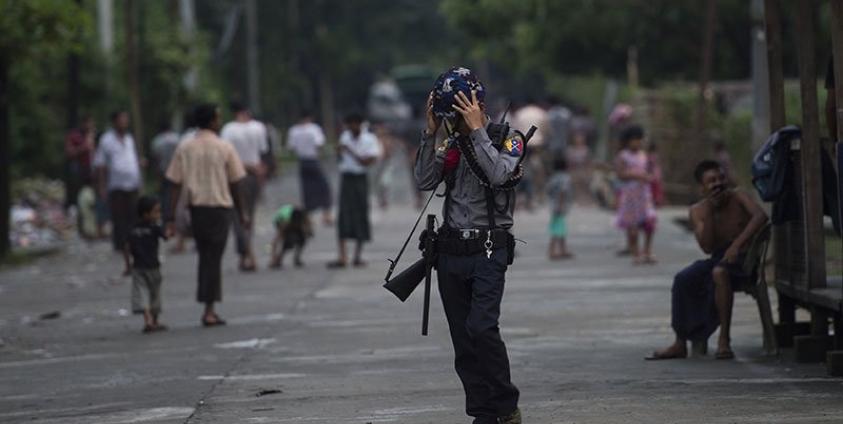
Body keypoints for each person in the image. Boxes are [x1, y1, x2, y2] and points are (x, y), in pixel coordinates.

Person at [415, 67, 522, 424]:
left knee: (482, 328)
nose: (453, 123)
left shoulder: (509, 138)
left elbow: (500, 175)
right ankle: (482, 413)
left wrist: (476, 131)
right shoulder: (448, 142)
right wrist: (429, 135)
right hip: (450, 253)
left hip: (489, 250)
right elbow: (425, 181)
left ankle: (505, 405)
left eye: (457, 116)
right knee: (463, 339)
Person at [648, 160, 768, 360]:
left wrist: (737, 245)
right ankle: (680, 342)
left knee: (719, 273)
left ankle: (724, 340)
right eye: (711, 181)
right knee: (683, 279)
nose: (718, 184)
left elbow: (760, 217)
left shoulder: (738, 197)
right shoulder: (698, 211)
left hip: (745, 260)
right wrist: (712, 211)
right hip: (718, 258)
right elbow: (707, 247)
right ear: (702, 188)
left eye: (721, 178)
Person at [165, 103, 248, 327]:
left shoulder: (185, 147)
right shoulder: (224, 147)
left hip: (197, 209)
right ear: (212, 121)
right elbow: (236, 183)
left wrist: (170, 216)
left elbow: (174, 183)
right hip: (220, 209)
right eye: (218, 118)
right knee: (213, 258)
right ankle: (209, 308)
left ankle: (208, 305)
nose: (220, 122)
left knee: (206, 256)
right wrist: (242, 213)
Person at [327, 113, 381, 268]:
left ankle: (357, 255)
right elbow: (340, 158)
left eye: (353, 125)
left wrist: (349, 150)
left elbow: (367, 161)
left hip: (360, 179)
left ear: (359, 124)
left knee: (360, 213)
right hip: (347, 178)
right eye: (348, 125)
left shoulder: (369, 139)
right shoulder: (345, 136)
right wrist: (339, 151)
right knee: (343, 214)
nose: (351, 128)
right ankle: (342, 256)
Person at [220, 102, 268, 271]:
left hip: (235, 176)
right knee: (249, 216)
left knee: (238, 216)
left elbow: (225, 155)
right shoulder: (258, 127)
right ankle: (247, 255)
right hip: (254, 176)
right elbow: (263, 152)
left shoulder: (228, 129)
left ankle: (247, 255)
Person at [93, 111, 142, 251]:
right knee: (119, 216)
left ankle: (132, 242)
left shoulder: (129, 138)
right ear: (115, 121)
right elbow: (101, 165)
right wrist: (102, 186)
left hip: (132, 183)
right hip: (116, 184)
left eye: (126, 119)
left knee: (133, 214)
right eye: (122, 119)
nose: (125, 122)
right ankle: (120, 244)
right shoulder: (106, 140)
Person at [123, 195, 168, 334]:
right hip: (153, 267)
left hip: (138, 267)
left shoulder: (133, 229)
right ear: (145, 213)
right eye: (156, 211)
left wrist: (127, 265)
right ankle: (152, 320)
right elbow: (166, 236)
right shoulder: (155, 227)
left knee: (142, 294)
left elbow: (126, 247)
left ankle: (149, 321)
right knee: (155, 294)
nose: (158, 214)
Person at [614, 125, 657, 264]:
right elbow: (620, 174)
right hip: (631, 196)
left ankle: (647, 251)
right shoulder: (623, 155)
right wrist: (635, 175)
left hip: (644, 195)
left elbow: (650, 172)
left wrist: (649, 177)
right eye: (634, 140)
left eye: (639, 140)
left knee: (650, 222)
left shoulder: (644, 155)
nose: (637, 143)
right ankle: (636, 253)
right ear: (627, 141)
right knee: (633, 227)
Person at [286, 111, 333, 225]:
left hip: (302, 161)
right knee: (323, 187)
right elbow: (319, 144)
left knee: (307, 189)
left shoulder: (294, 130)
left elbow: (291, 148)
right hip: (313, 160)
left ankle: (308, 217)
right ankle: (326, 214)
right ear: (310, 118)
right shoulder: (314, 129)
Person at [64, 116, 96, 212]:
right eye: (87, 123)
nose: (89, 126)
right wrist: (84, 147)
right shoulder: (74, 135)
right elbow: (69, 152)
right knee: (80, 195)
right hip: (80, 168)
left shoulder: (94, 135)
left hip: (93, 170)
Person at [151, 121, 181, 217]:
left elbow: (156, 160)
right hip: (177, 172)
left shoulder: (157, 141)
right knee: (177, 196)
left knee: (164, 198)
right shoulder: (177, 138)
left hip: (163, 172)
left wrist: (156, 178)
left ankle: (165, 218)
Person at [546, 156, 574, 260]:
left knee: (560, 228)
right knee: (557, 229)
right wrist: (561, 204)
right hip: (560, 205)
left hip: (553, 204)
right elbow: (563, 191)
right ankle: (552, 250)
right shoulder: (565, 177)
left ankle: (563, 249)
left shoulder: (553, 177)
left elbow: (548, 190)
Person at [268, 204, 313, 269]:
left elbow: (308, 229)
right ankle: (278, 259)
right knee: (289, 241)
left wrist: (307, 231)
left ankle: (296, 258)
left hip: (293, 216)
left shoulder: (304, 217)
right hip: (280, 220)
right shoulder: (285, 222)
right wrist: (273, 258)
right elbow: (275, 242)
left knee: (302, 238)